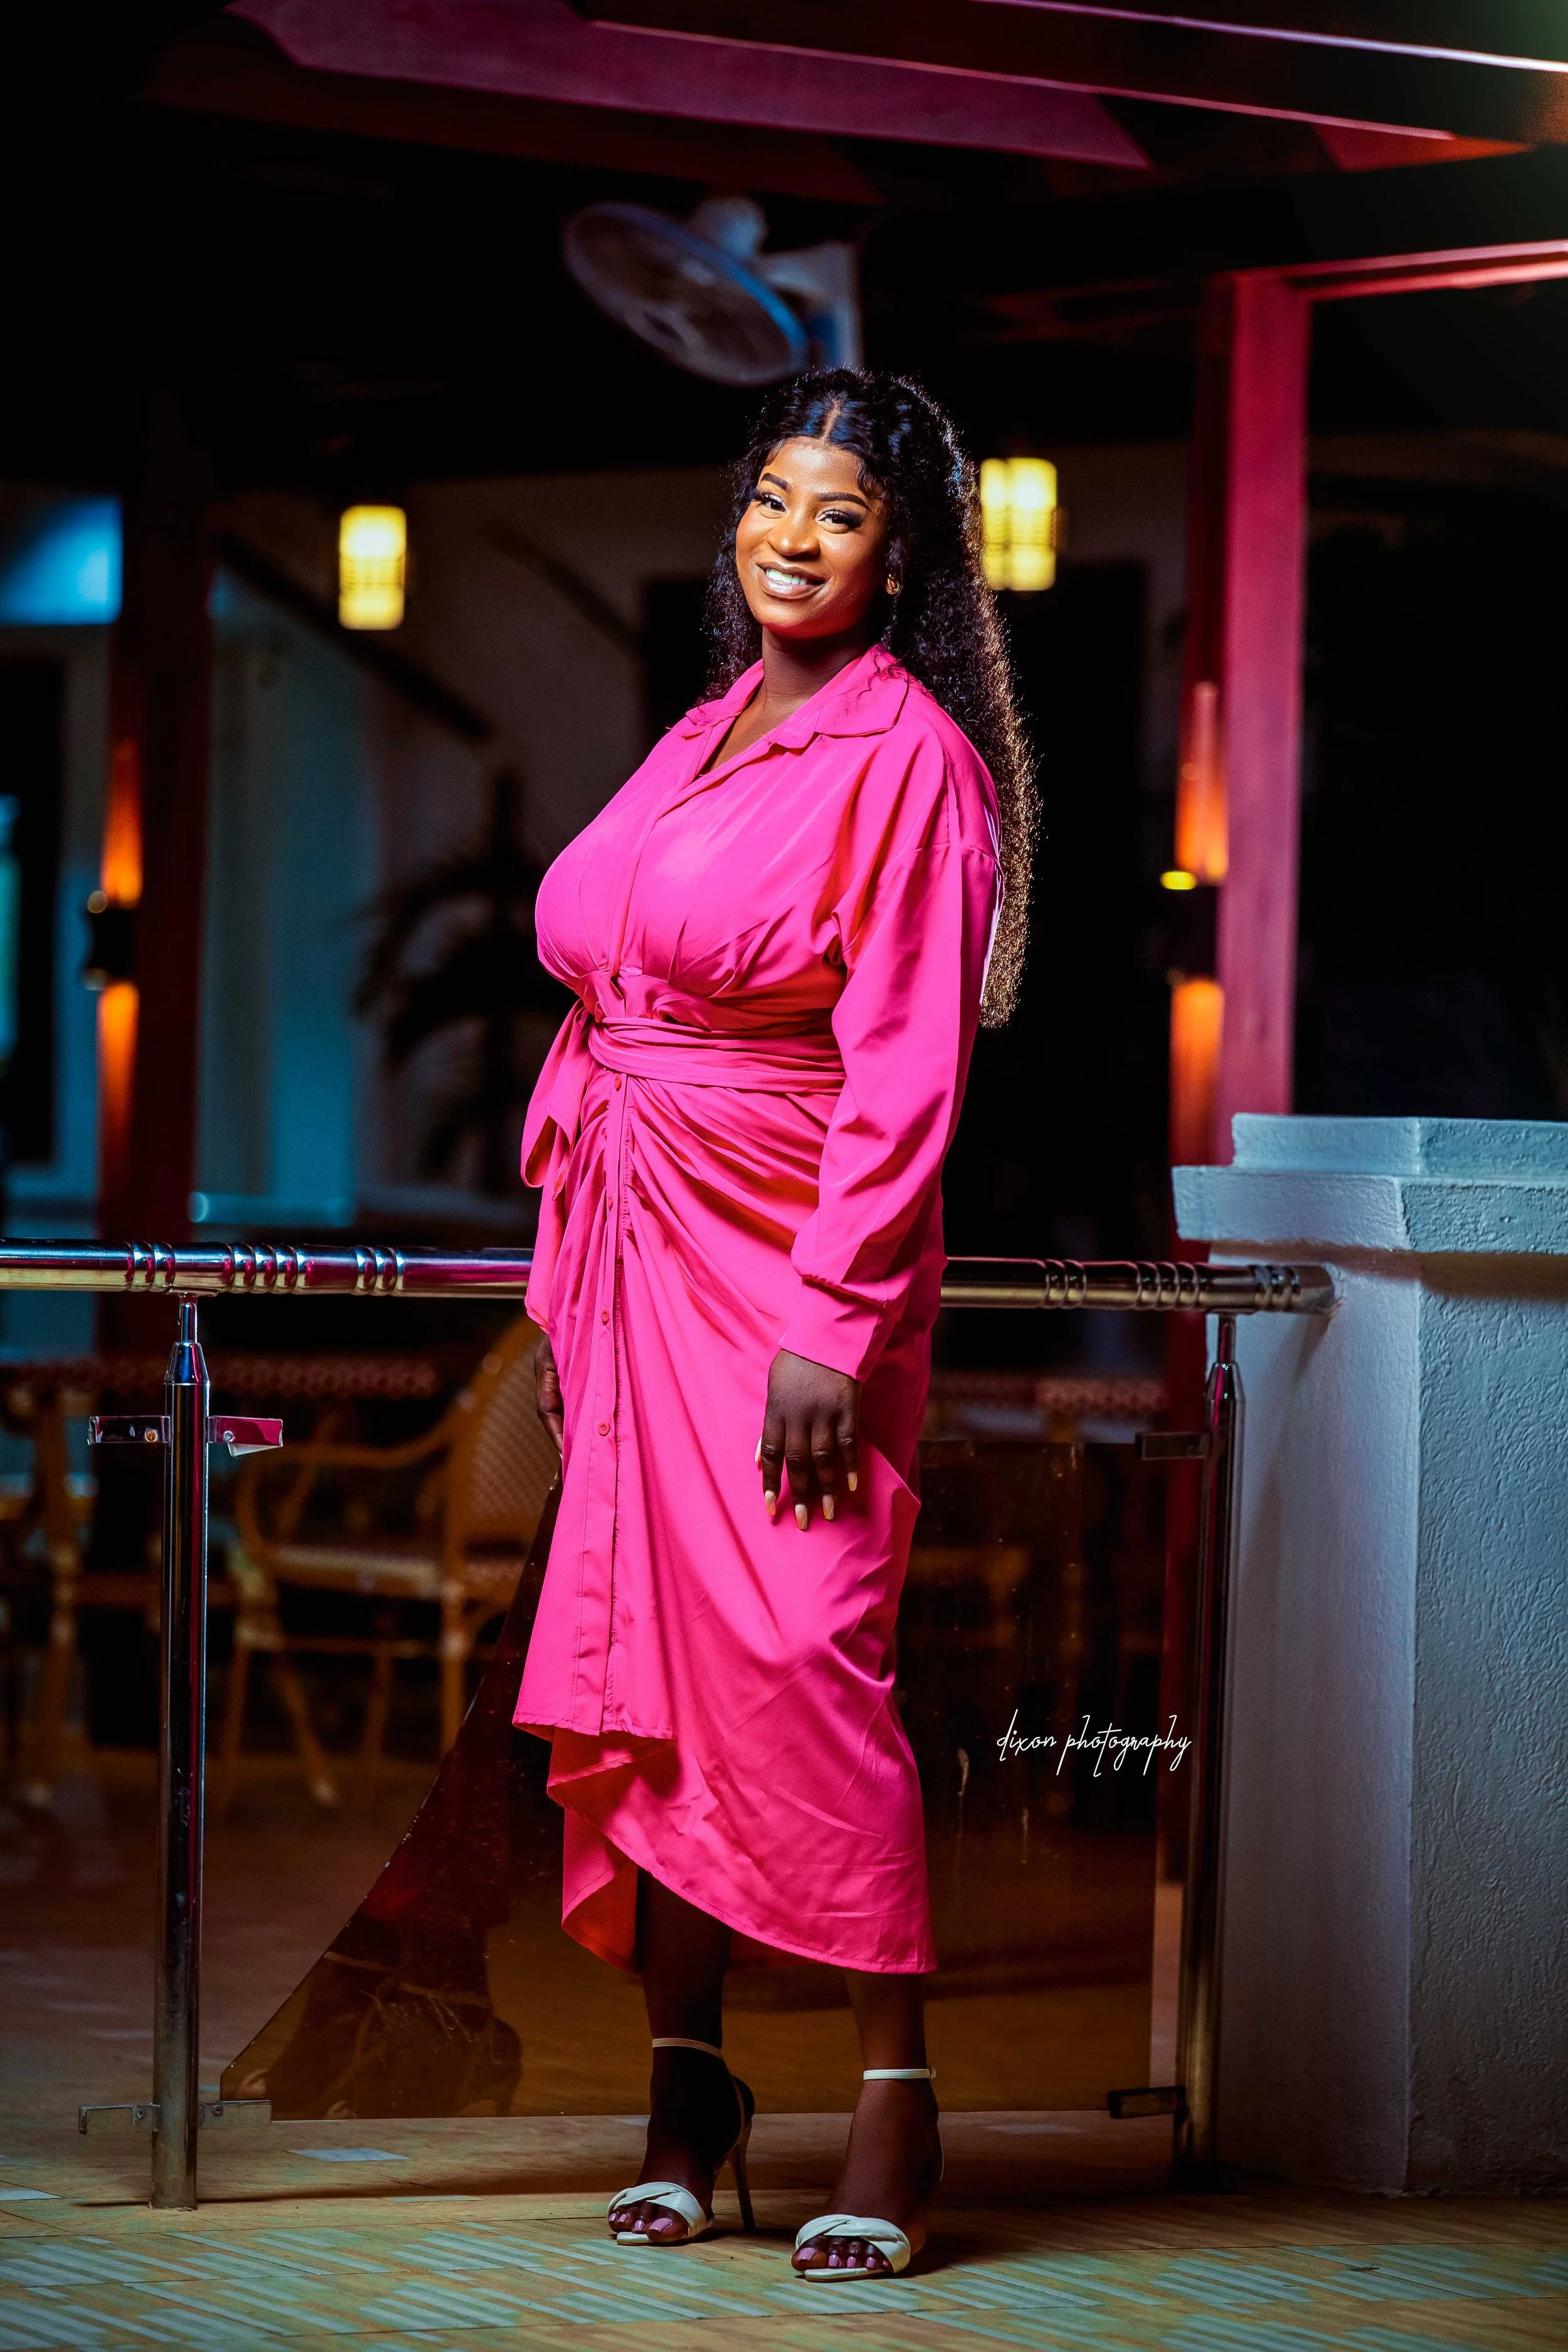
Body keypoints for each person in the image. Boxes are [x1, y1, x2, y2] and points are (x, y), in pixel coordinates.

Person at [516, 368, 1035, 2279]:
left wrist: (833, 1323)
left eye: (841, 512)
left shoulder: (913, 760)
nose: (793, 538)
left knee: (808, 1657)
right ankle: (688, 2093)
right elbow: (608, 973)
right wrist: (576, 1277)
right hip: (632, 1251)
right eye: (771, 499)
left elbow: (906, 1077)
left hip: (789, 1260)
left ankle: (896, 2107)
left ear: (904, 559)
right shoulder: (700, 729)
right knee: (643, 1671)